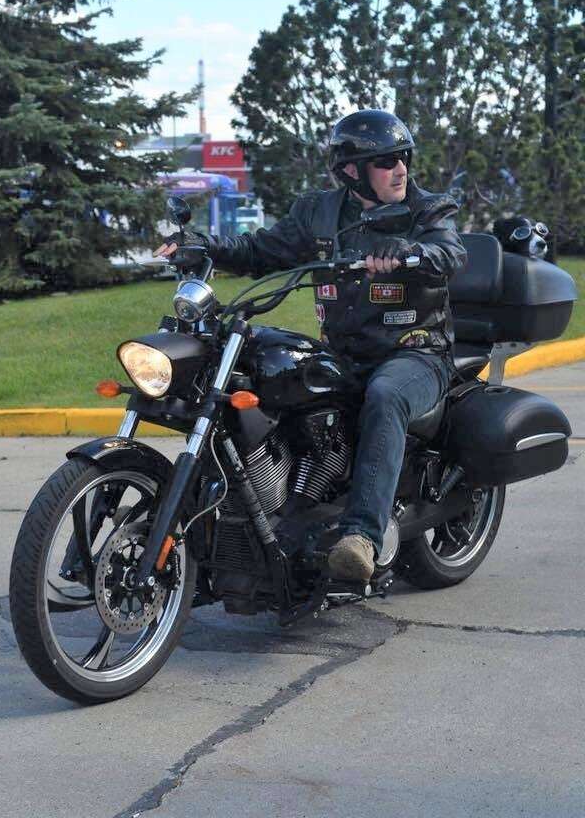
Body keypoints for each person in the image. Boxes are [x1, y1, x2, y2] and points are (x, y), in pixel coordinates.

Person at [156, 110, 467, 582]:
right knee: (264, 372)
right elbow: (262, 250)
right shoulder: (318, 212)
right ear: (351, 171)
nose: (401, 169)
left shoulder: (428, 209)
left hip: (415, 351)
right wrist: (203, 245)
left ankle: (361, 536)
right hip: (343, 351)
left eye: (403, 157)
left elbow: (450, 252)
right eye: (386, 162)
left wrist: (410, 252)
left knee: (385, 395)